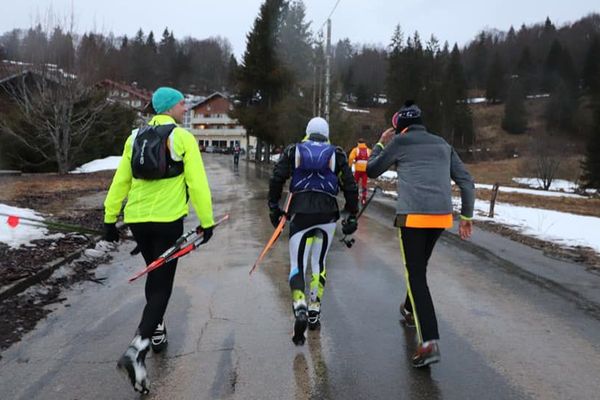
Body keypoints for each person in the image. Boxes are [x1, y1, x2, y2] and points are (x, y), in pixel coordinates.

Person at [103, 87, 215, 393]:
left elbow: (121, 180)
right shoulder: (182, 138)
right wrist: (207, 222)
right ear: (168, 107)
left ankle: (157, 332)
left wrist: (110, 218)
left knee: (154, 275)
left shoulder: (134, 137)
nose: (185, 107)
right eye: (181, 103)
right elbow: (198, 184)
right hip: (167, 222)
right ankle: (137, 350)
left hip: (138, 221)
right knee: (162, 286)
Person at [366, 100, 475, 368]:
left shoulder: (400, 143)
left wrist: (381, 143)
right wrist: (467, 216)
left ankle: (428, 343)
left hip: (413, 217)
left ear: (400, 129)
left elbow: (371, 170)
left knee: (415, 275)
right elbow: (466, 181)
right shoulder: (442, 144)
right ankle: (408, 308)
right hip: (441, 218)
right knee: (419, 268)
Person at [268, 117, 359, 345]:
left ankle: (299, 306)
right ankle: (314, 310)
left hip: (300, 213)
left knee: (298, 264)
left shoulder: (293, 150)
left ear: (307, 132)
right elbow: (350, 185)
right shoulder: (336, 153)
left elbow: (277, 178)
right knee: (319, 263)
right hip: (328, 214)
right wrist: (350, 212)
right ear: (327, 133)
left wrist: (274, 207)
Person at [348, 138, 371, 205]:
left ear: (358, 143)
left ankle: (356, 196)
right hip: (365, 170)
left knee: (355, 184)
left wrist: (350, 166)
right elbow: (372, 158)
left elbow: (351, 158)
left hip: (358, 170)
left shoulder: (355, 150)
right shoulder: (368, 150)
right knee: (364, 185)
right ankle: (363, 198)